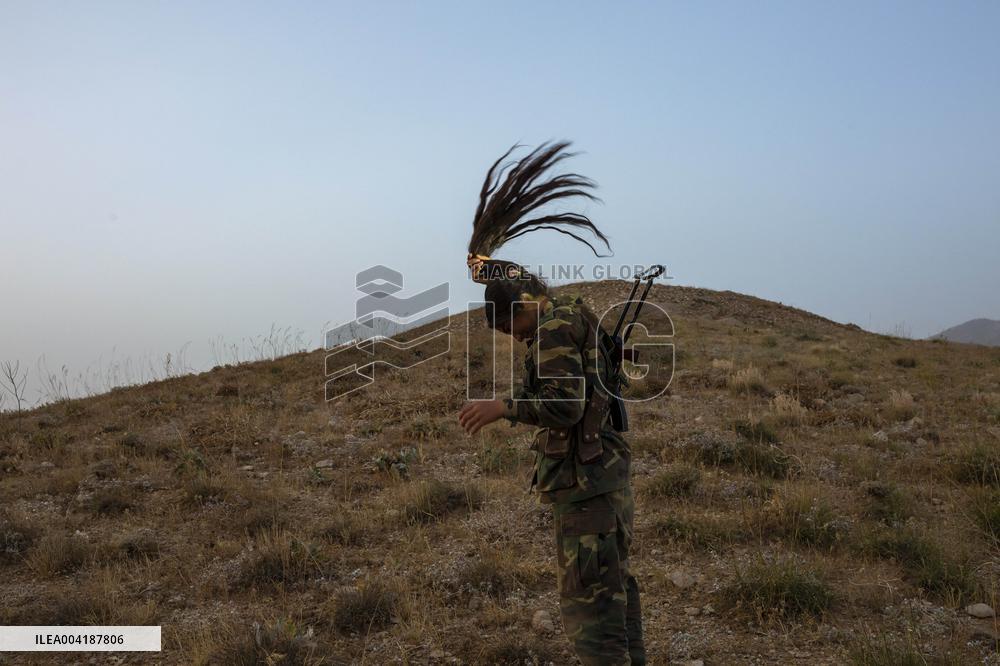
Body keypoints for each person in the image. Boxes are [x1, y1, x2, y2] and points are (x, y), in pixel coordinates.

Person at [458, 142, 646, 665]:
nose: (519, 341)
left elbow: (564, 404)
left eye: (513, 329)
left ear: (521, 308)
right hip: (606, 484)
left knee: (593, 621)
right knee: (615, 597)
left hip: (588, 491)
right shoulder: (572, 310)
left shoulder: (552, 323)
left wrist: (504, 407)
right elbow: (600, 364)